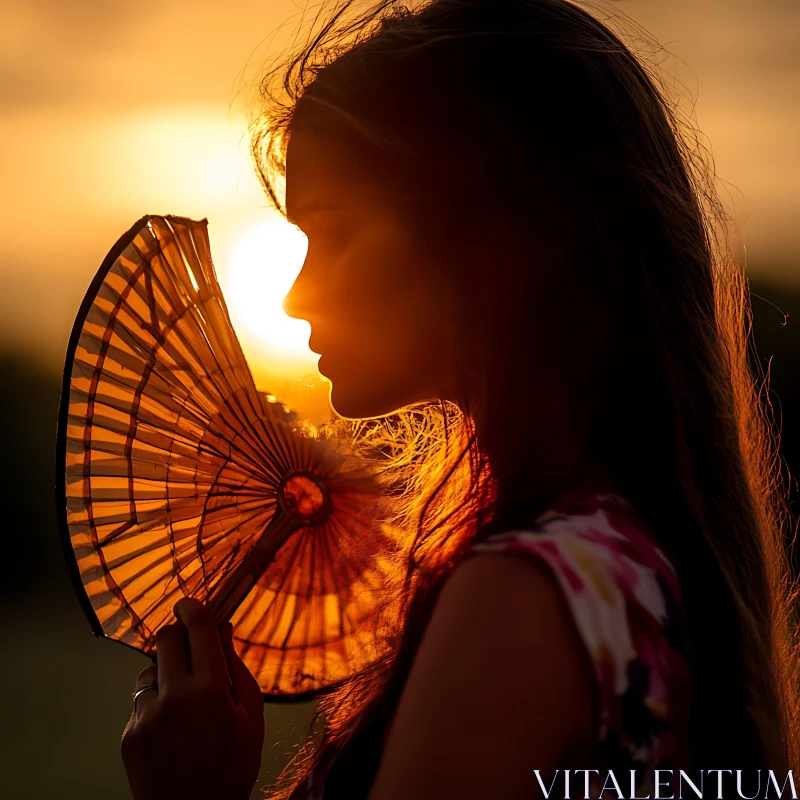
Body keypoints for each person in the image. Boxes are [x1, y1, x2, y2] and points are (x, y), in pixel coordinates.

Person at [121, 1, 800, 798]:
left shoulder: (520, 599)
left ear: (490, 235)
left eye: (333, 234)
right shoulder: (628, 565)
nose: (297, 296)